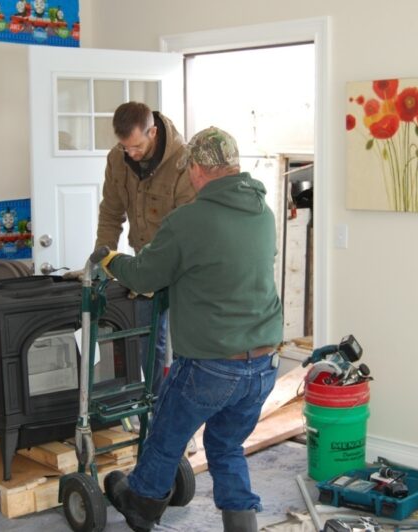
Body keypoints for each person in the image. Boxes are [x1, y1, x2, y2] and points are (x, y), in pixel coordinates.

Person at [97, 126, 283, 532]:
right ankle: (242, 524)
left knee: (166, 435)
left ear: (199, 169)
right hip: (265, 363)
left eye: (192, 171)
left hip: (211, 364)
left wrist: (110, 259)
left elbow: (146, 276)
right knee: (225, 445)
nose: (192, 178)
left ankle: (141, 504)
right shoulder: (263, 214)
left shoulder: (189, 220)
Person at [95, 101, 196, 394]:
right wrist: (103, 259)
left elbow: (187, 229)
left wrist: (158, 268)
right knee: (147, 342)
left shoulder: (183, 162)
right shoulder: (117, 159)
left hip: (181, 266)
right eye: (125, 147)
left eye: (136, 146)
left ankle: (181, 415)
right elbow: (111, 213)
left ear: (152, 131)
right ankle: (155, 410)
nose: (131, 154)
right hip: (144, 262)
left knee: (185, 345)